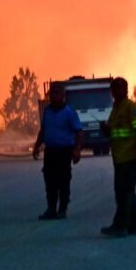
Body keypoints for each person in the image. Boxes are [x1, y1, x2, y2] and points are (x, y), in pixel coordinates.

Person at [100, 77, 136, 237]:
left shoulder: (131, 108)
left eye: (120, 88)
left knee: (124, 193)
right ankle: (133, 226)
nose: (117, 91)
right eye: (115, 89)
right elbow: (113, 131)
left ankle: (120, 226)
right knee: (128, 192)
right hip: (119, 157)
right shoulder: (116, 109)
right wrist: (105, 129)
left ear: (126, 90)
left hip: (130, 157)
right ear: (112, 92)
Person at [32, 83, 83, 220]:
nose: (53, 96)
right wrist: (36, 146)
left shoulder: (69, 112)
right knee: (50, 181)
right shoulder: (47, 111)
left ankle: (62, 209)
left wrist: (77, 150)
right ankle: (51, 209)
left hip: (64, 152)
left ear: (63, 96)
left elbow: (79, 132)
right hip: (50, 152)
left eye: (56, 93)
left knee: (63, 181)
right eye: (51, 93)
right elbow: (43, 130)